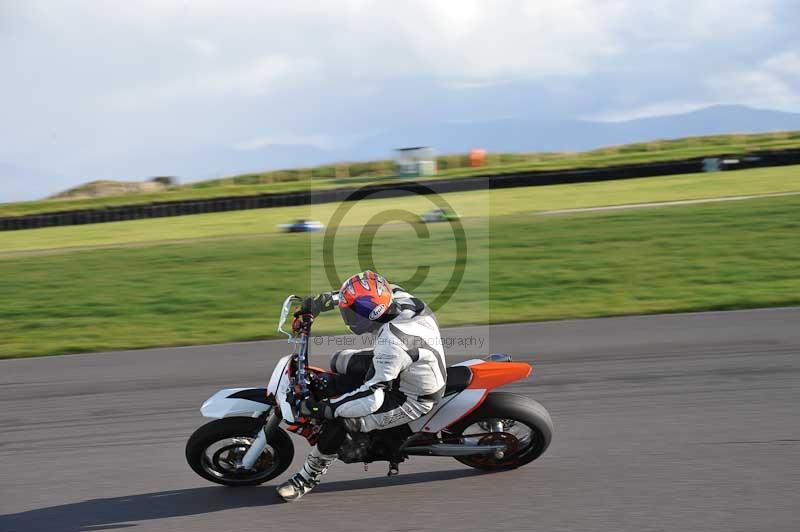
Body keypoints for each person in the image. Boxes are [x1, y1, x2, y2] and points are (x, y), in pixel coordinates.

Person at [276, 270, 447, 501]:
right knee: (339, 360)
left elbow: (372, 397)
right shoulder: (399, 299)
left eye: (350, 312)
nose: (345, 314)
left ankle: (308, 476)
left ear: (367, 316)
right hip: (405, 367)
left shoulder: (393, 343)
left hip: (410, 396)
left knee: (343, 420)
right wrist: (323, 301)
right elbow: (366, 295)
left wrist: (324, 408)